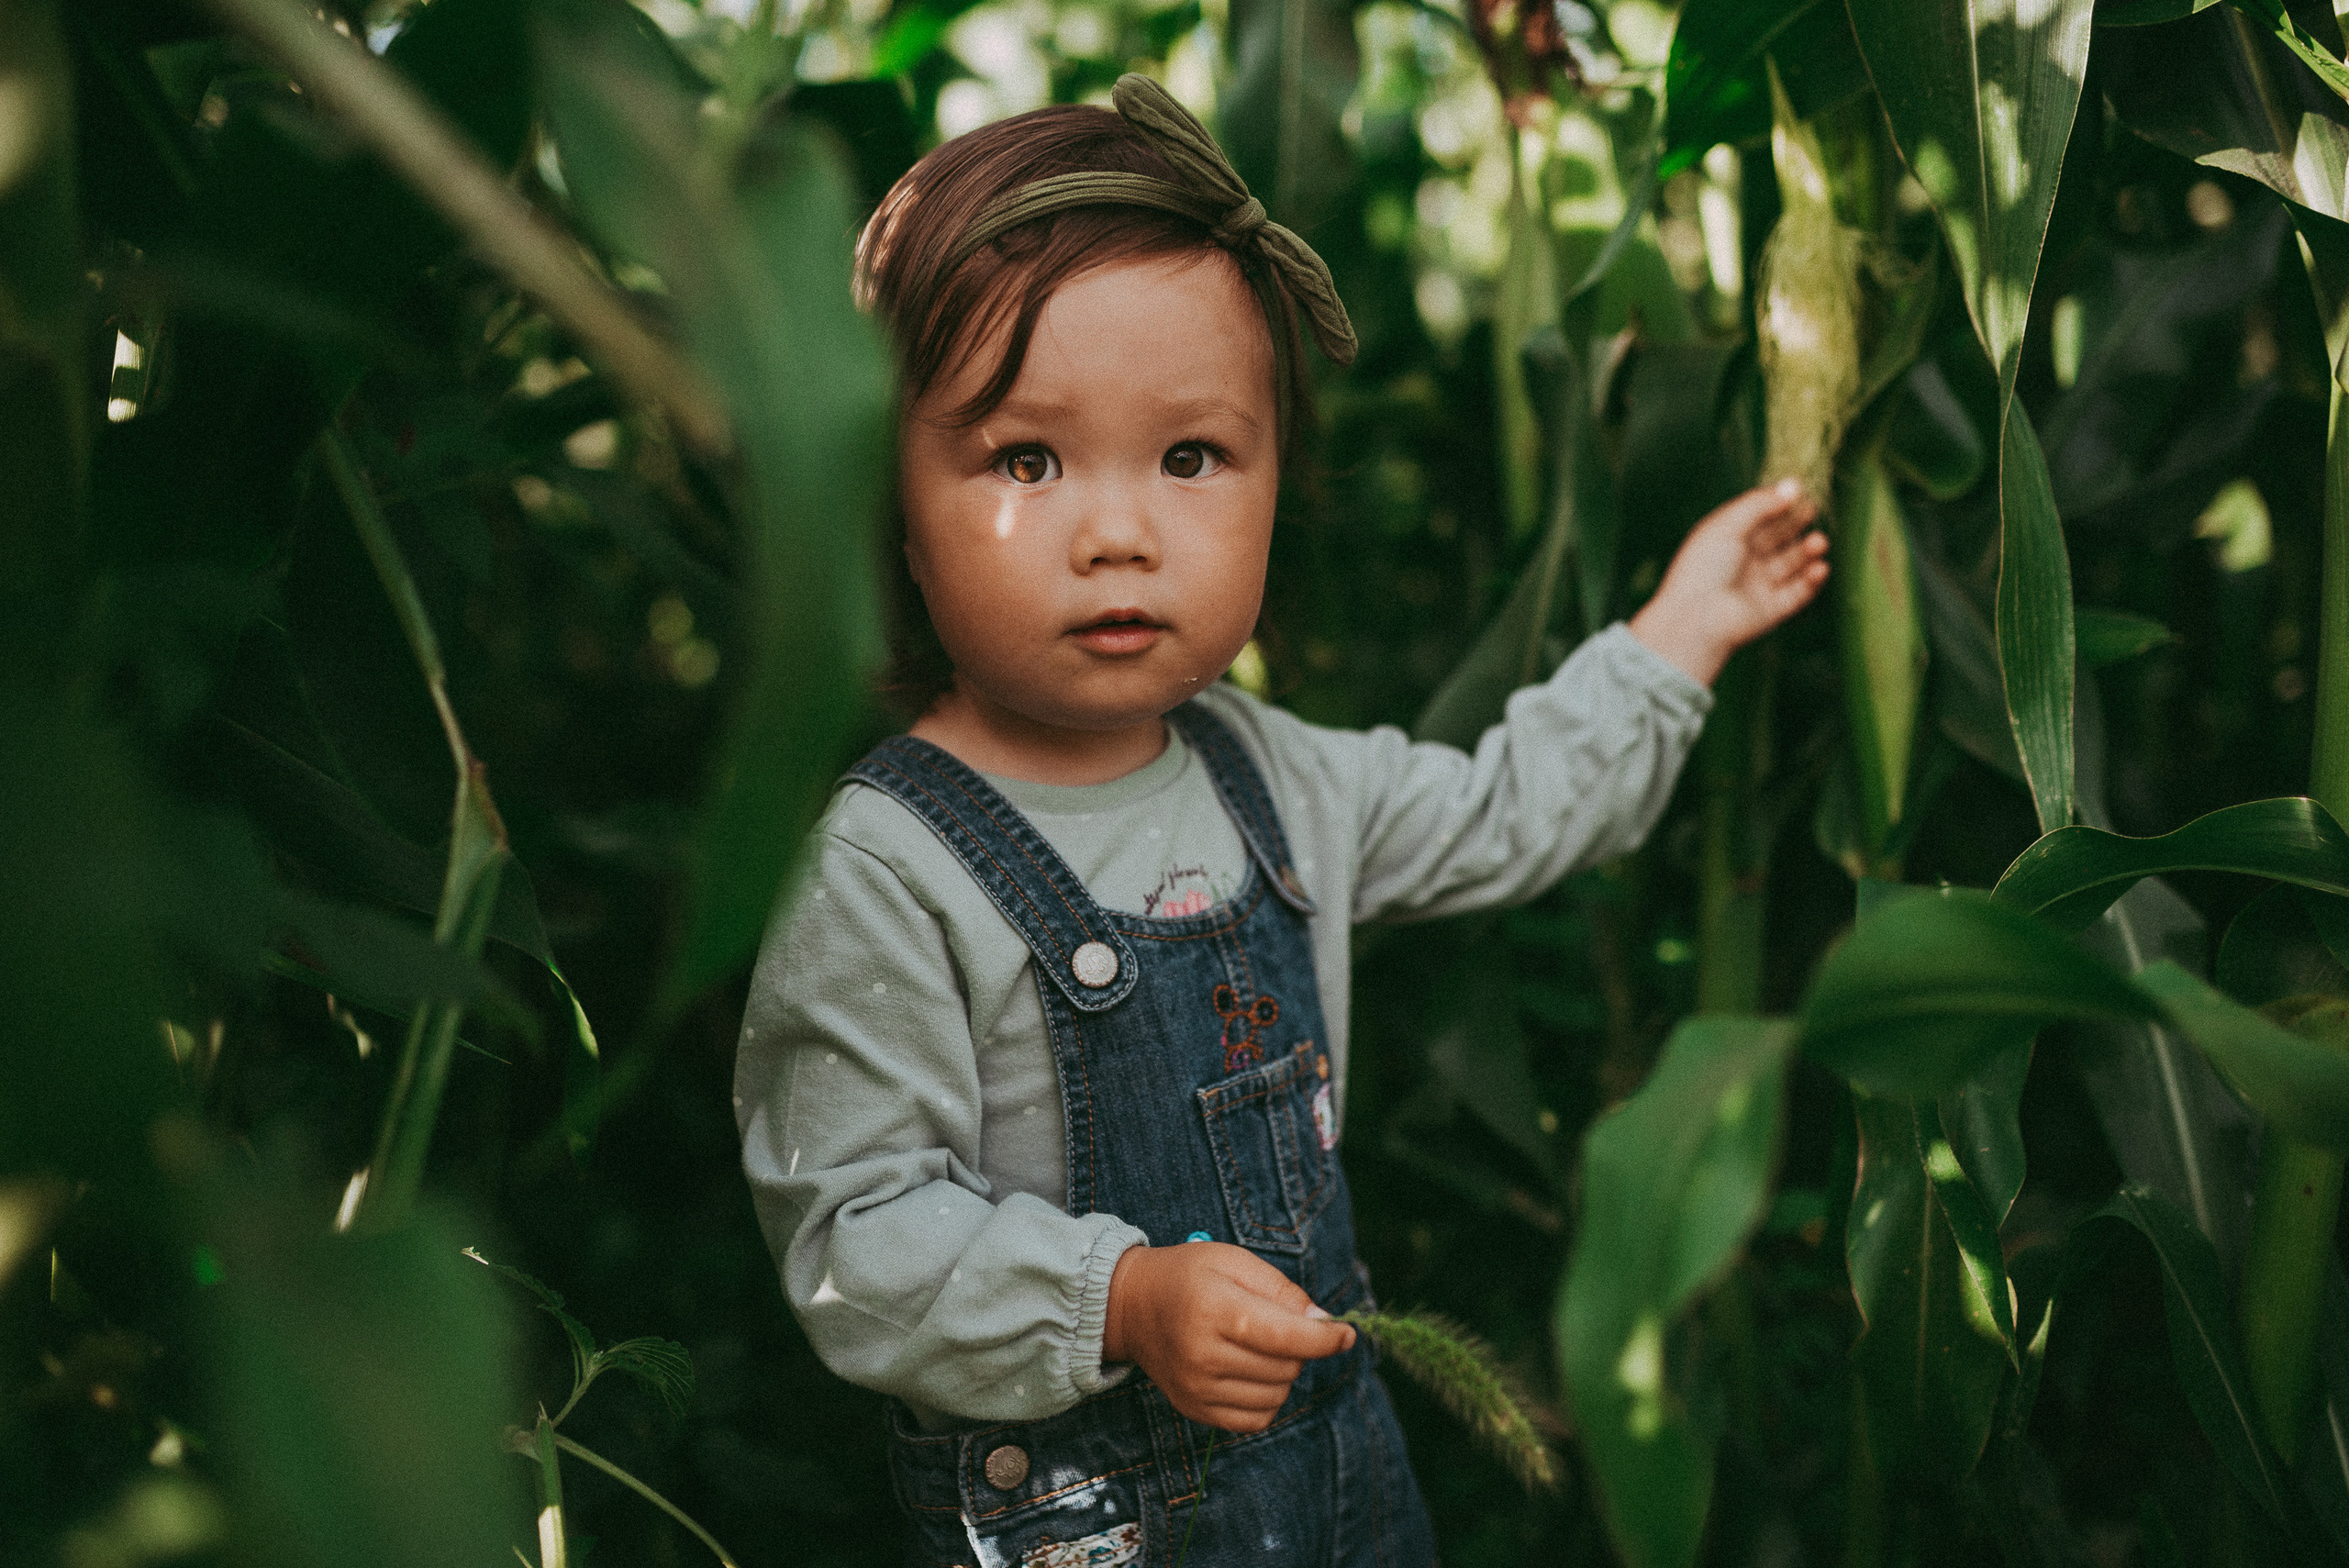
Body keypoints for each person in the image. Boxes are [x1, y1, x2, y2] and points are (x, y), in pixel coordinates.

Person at [733, 73, 1827, 1568]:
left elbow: (1503, 809)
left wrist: (1680, 631)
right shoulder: (892, 869)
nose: (1120, 533)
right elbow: (854, 1237)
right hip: (1090, 1526)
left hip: (1340, 1486)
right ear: (893, 509)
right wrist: (1124, 1300)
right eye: (1027, 459)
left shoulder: (1272, 774)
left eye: (1190, 457)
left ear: (1274, 485)